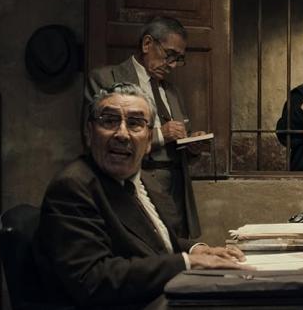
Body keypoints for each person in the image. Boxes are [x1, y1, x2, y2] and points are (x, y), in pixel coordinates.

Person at [35, 83, 251, 308]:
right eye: (109, 121)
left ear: (148, 141)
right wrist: (189, 262)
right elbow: (93, 279)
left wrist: (196, 250)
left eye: (135, 123)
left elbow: (153, 242)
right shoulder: (73, 187)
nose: (122, 134)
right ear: (89, 133)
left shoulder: (146, 180)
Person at [84, 16, 203, 238]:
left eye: (179, 59)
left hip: (176, 190)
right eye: (169, 55)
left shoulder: (172, 91)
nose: (173, 65)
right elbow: (93, 140)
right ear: (147, 44)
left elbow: (178, 142)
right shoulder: (105, 79)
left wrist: (192, 146)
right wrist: (160, 135)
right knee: (144, 245)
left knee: (176, 248)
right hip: (135, 184)